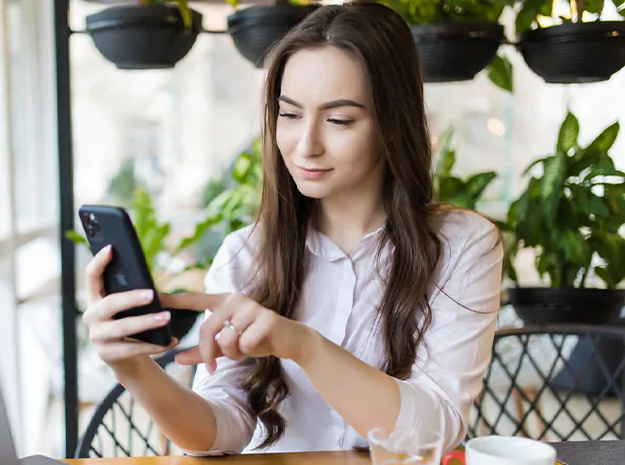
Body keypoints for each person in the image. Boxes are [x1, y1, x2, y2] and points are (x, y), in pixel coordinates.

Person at [81, 1, 503, 457]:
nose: (306, 145)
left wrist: (302, 344)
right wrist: (133, 369)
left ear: (393, 123)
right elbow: (219, 429)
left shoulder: (462, 246)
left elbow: (433, 435)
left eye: (339, 120)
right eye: (290, 114)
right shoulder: (246, 253)